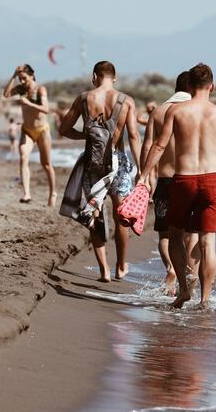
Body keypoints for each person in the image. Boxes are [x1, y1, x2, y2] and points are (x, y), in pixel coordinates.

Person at [138, 63, 216, 309]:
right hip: (211, 181)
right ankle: (205, 300)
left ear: (189, 86)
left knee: (174, 235)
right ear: (212, 87)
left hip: (183, 179)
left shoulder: (176, 111)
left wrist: (143, 175)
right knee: (208, 243)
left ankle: (184, 291)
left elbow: (160, 146)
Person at [59, 61, 142, 281]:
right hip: (119, 162)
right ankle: (121, 265)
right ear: (114, 77)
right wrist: (143, 169)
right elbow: (133, 136)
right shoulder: (126, 101)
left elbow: (63, 129)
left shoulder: (84, 98)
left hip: (92, 162)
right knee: (121, 215)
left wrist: (86, 135)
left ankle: (104, 269)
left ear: (94, 76)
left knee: (95, 211)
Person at [141, 71, 199, 295]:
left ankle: (171, 269)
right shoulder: (195, 112)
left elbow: (148, 146)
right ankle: (191, 280)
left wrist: (145, 176)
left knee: (166, 234)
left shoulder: (158, 112)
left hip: (165, 180)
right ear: (193, 88)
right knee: (191, 234)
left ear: (175, 88)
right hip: (192, 178)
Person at [3, 65, 57, 205]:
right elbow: (6, 94)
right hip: (27, 130)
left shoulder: (40, 89)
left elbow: (46, 109)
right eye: (20, 79)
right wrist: (13, 76)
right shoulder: (21, 89)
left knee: (46, 164)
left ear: (32, 76)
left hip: (42, 130)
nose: (22, 81)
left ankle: (53, 193)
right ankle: (26, 193)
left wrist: (28, 103)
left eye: (24, 78)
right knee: (23, 157)